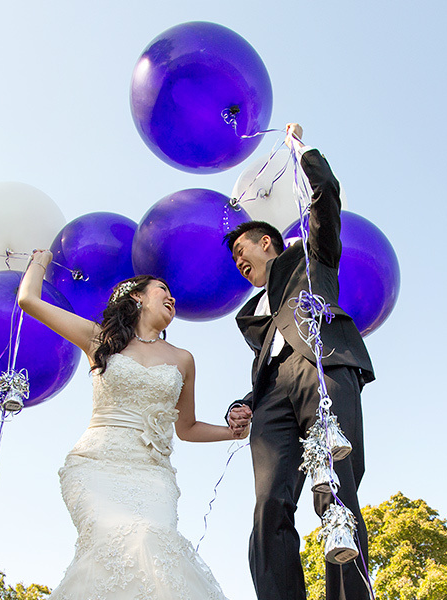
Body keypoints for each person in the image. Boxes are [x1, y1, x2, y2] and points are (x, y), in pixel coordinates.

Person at [18, 251, 241, 600]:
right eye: (162, 289)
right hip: (96, 465)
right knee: (115, 544)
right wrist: (40, 261)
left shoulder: (183, 359)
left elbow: (187, 428)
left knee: (151, 537)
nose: (172, 297)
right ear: (137, 296)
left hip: (152, 475)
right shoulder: (100, 340)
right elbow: (28, 300)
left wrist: (234, 431)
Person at [224, 123, 375, 600]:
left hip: (324, 367)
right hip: (272, 399)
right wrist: (244, 402)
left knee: (335, 487)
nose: (237, 261)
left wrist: (299, 147)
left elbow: (324, 194)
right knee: (268, 506)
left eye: (240, 249)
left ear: (266, 241)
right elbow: (270, 357)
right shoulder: (250, 315)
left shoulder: (312, 255)